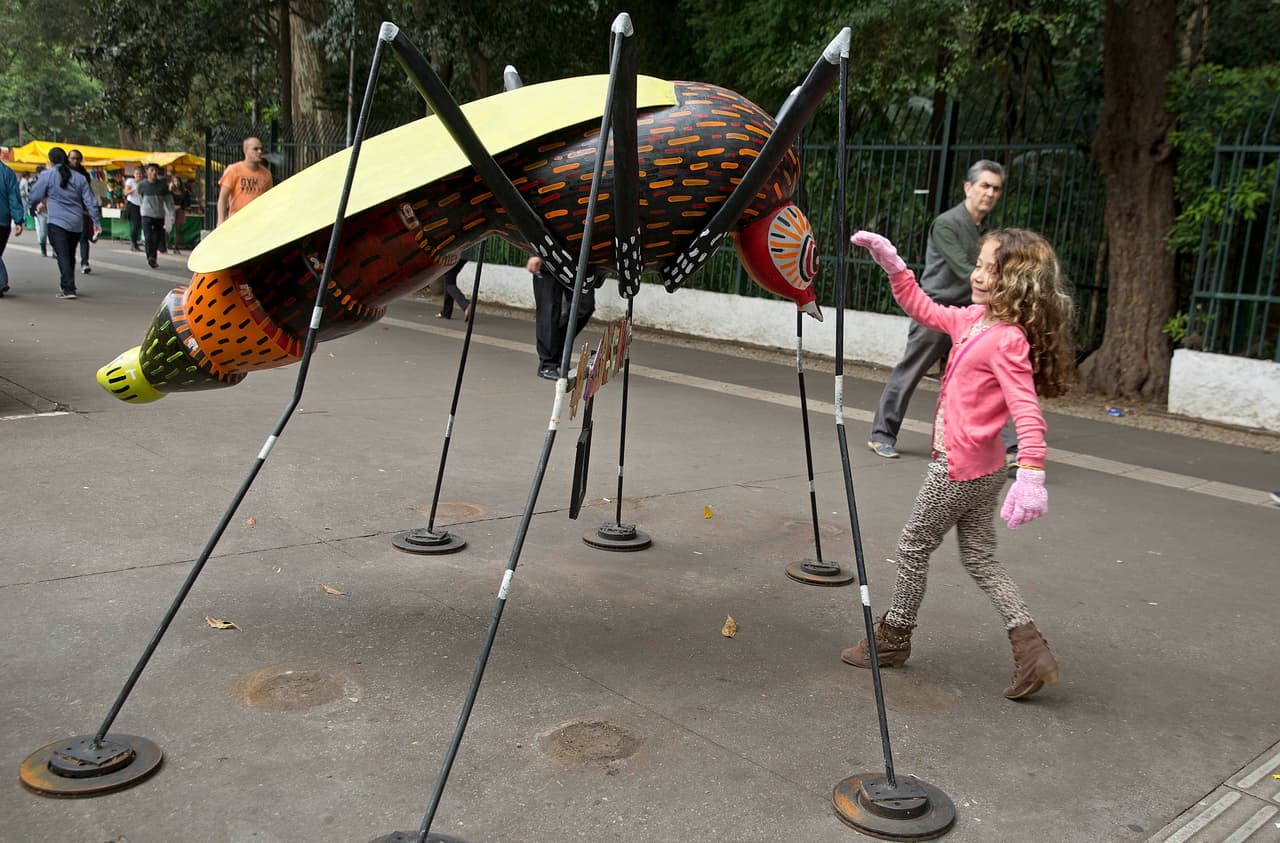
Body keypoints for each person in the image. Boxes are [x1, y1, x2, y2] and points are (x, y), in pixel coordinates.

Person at [844, 227, 1076, 701]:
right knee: (979, 557)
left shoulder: (1007, 339)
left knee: (912, 547)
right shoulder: (973, 320)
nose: (978, 274)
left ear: (1018, 282)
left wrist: (1032, 473)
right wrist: (895, 265)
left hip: (957, 468)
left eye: (993, 269)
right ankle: (1031, 648)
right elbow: (925, 309)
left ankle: (893, 638)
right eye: (980, 263)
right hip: (983, 470)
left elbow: (1026, 409)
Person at [868, 160, 1016, 463]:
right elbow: (964, 269)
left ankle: (1011, 448)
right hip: (936, 312)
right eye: (984, 186)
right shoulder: (947, 223)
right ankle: (882, 434)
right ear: (968, 187)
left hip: (971, 315)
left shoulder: (985, 232)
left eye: (996, 188)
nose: (989, 193)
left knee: (986, 381)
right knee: (910, 373)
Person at [28, 147, 102, 299]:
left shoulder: (47, 175)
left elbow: (35, 194)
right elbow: (90, 201)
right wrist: (96, 221)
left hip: (56, 221)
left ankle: (68, 288)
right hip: (76, 222)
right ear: (67, 160)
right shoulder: (79, 178)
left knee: (62, 254)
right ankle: (67, 285)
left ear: (50, 160)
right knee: (69, 254)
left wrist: (31, 208)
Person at [528, 255, 595, 380]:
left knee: (585, 306)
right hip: (548, 257)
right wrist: (537, 254)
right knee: (549, 310)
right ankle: (547, 364)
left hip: (575, 261)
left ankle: (557, 352)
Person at [216, 137, 274, 225]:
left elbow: (269, 199)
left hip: (259, 223)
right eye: (255, 149)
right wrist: (220, 220)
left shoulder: (267, 174)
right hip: (238, 222)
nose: (260, 152)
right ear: (245, 150)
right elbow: (222, 198)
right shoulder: (233, 170)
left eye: (261, 149)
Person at [66, 150, 99, 274]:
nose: (75, 161)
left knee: (83, 237)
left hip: (82, 210)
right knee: (69, 239)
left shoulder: (84, 175)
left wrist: (93, 213)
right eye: (72, 158)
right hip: (67, 210)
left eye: (77, 159)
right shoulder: (63, 173)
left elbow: (88, 194)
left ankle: (85, 262)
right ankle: (68, 262)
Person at [136, 164, 174, 269]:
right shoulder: (142, 185)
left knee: (156, 237)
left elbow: (169, 201)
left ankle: (154, 257)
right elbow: (140, 199)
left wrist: (172, 214)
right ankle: (150, 257)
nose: (154, 172)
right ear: (147, 172)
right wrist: (142, 210)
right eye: (151, 170)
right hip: (146, 214)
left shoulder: (162, 186)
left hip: (159, 215)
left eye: (155, 170)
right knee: (148, 237)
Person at [0, 160, 25, 297]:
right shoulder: (7, 172)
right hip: (3, 222)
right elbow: (13, 197)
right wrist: (18, 220)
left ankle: (2, 281)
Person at [436, 255, 471, 320]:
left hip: (455, 254)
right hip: (464, 255)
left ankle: (465, 304)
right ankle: (446, 312)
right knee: (449, 280)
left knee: (449, 283)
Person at [123, 166, 144, 251]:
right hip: (132, 204)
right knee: (134, 225)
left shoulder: (143, 183)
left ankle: (136, 243)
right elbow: (126, 192)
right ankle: (133, 244)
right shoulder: (130, 181)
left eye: (140, 174)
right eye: (137, 174)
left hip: (140, 205)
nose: (138, 175)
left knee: (138, 225)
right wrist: (134, 189)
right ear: (134, 175)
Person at [167, 174, 189, 254]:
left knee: (177, 230)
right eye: (175, 181)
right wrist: (169, 189)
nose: (177, 183)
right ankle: (165, 245)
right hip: (170, 211)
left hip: (180, 211)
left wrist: (180, 206)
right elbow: (166, 200)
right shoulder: (170, 192)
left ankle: (176, 247)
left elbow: (187, 203)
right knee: (168, 229)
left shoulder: (184, 192)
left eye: (178, 181)